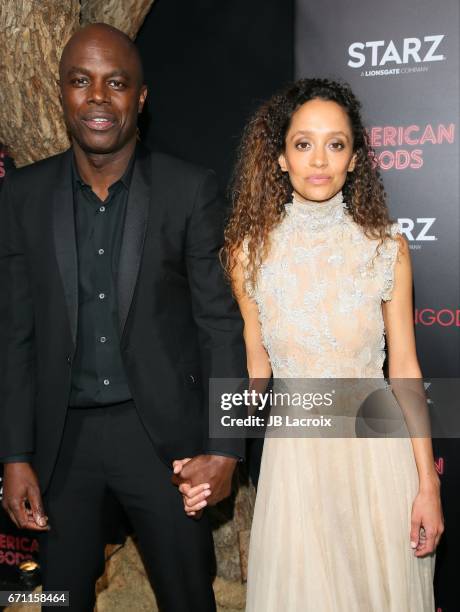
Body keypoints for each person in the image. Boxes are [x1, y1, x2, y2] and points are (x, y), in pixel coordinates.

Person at [0, 23, 246, 611]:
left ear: (140, 97)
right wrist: (13, 456)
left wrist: (227, 447)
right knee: (60, 599)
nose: (97, 98)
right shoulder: (21, 197)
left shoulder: (190, 190)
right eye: (81, 82)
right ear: (61, 92)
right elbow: (14, 335)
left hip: (165, 444)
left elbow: (221, 326)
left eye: (116, 83)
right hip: (61, 446)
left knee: (189, 598)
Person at [182, 79, 444, 610]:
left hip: (378, 460)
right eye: (303, 144)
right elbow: (256, 373)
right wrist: (216, 448)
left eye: (336, 144)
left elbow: (406, 373)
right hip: (295, 463)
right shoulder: (247, 255)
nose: (318, 159)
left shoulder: (385, 248)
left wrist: (428, 485)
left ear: (354, 160)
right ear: (280, 157)